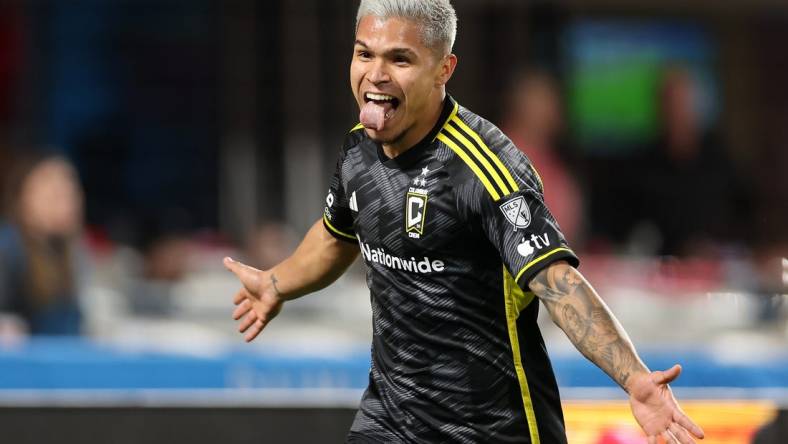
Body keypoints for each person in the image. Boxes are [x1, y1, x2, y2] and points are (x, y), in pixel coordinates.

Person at [223, 1, 705, 442]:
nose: (376, 75)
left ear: (443, 69)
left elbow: (557, 282)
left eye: (400, 59)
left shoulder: (484, 168)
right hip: (390, 420)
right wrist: (276, 282)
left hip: (492, 428)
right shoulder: (358, 152)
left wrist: (635, 378)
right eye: (364, 54)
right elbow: (336, 236)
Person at [0, 151, 85, 335]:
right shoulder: (8, 248)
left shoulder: (71, 252)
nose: (66, 202)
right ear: (23, 197)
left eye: (70, 193)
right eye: (54, 194)